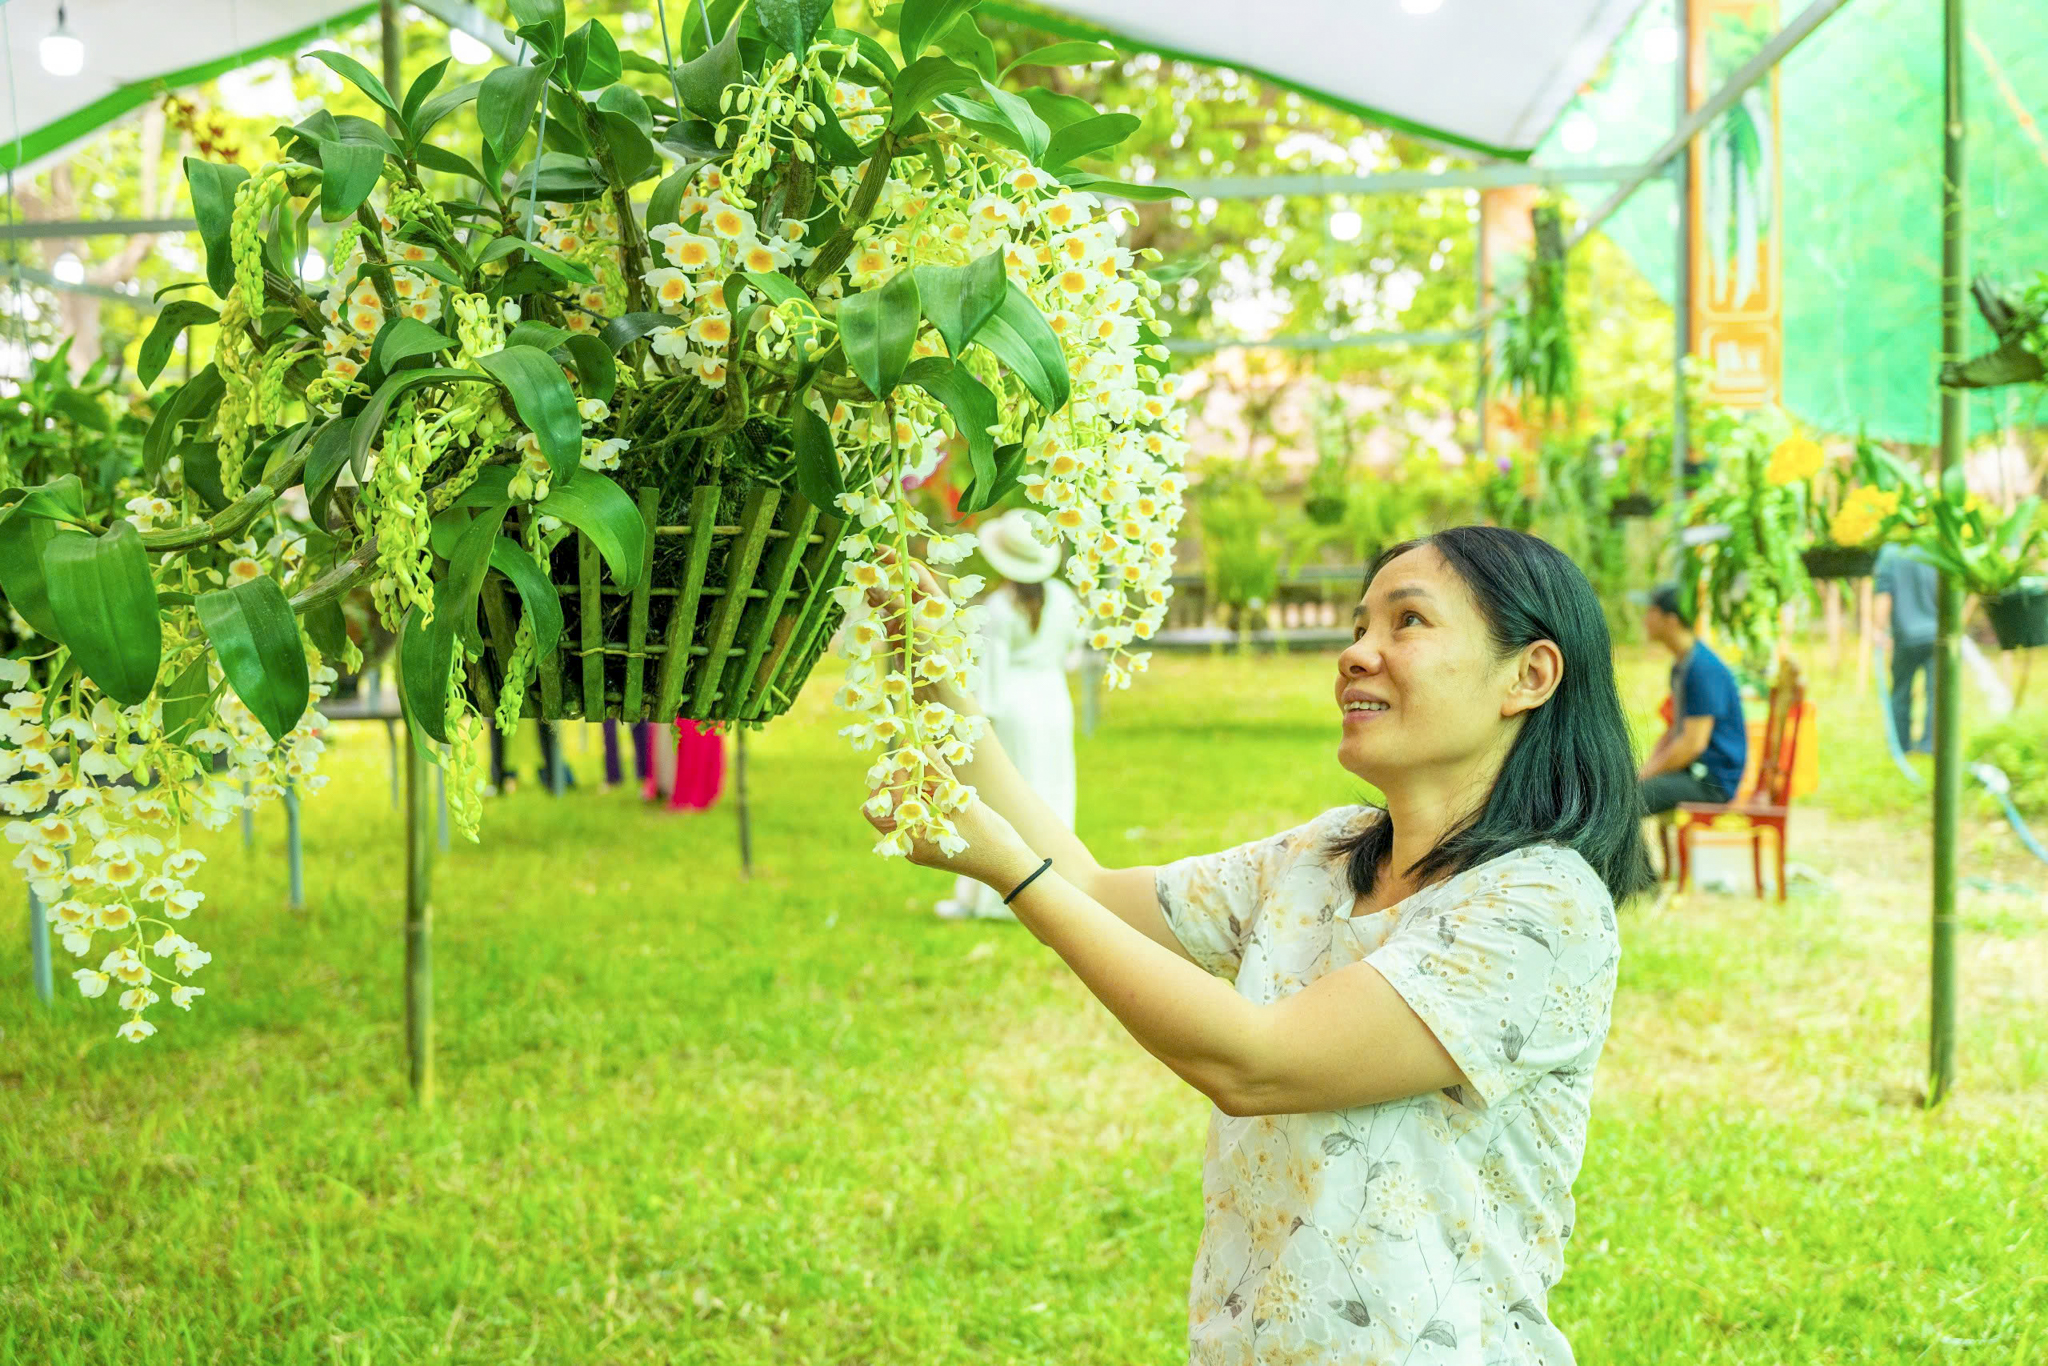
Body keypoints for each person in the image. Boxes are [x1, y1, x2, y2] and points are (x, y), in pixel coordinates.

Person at [861, 527, 1651, 1361]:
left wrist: (1014, 876)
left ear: (1528, 676)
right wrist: (934, 671)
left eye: (1406, 622)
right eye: (1357, 628)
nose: (1356, 655)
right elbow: (1089, 890)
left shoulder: (1544, 903)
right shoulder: (1325, 856)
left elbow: (1259, 1062)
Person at [935, 510, 1086, 921]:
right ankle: (1059, 893)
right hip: (1053, 701)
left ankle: (995, 898)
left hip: (1017, 704)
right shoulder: (1063, 597)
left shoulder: (999, 608)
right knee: (1052, 793)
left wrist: (980, 721)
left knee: (1006, 801)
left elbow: (992, 677)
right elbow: (1073, 652)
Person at [1637, 584, 1747, 815]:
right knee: (1625, 795)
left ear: (1671, 620)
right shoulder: (1682, 664)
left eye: (1650, 612)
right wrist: (1643, 771)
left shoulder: (1702, 668)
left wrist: (1644, 776)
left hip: (1712, 783)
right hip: (1692, 772)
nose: (1644, 619)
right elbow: (1674, 731)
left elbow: (1692, 744)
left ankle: (1633, 853)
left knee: (1626, 803)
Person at [1874, 543, 1940, 753]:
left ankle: (1901, 745)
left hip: (1905, 636)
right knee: (1936, 693)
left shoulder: (1891, 552)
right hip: (1936, 635)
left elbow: (1884, 593)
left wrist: (1879, 628)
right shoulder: (1935, 548)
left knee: (1901, 692)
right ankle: (1930, 744)